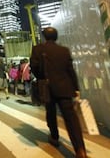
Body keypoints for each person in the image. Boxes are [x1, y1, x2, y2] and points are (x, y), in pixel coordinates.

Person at [30, 27, 87, 158]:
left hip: (48, 87)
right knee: (71, 119)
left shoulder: (38, 49)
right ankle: (80, 150)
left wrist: (42, 78)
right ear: (56, 37)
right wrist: (76, 88)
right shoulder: (64, 50)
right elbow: (70, 71)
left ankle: (54, 137)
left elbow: (34, 67)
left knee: (51, 113)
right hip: (65, 88)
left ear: (44, 36)